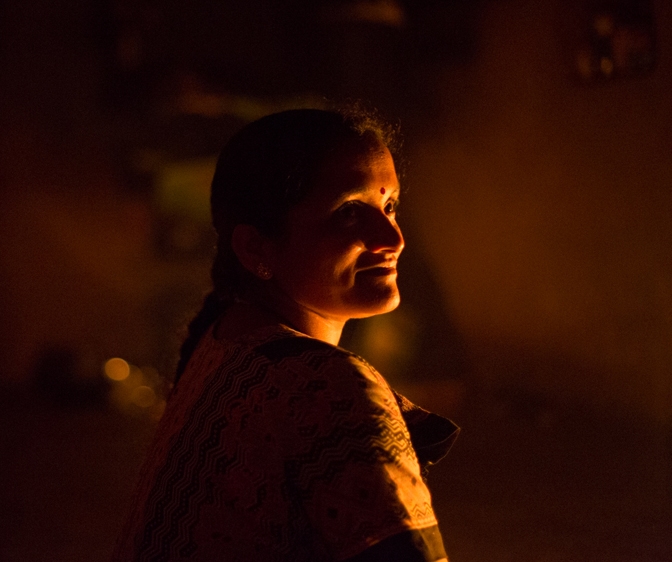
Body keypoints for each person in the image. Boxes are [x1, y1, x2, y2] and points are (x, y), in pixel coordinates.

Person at [113, 107, 460, 562]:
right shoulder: (326, 386)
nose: (392, 238)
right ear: (256, 248)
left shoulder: (227, 338)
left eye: (389, 205)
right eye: (350, 211)